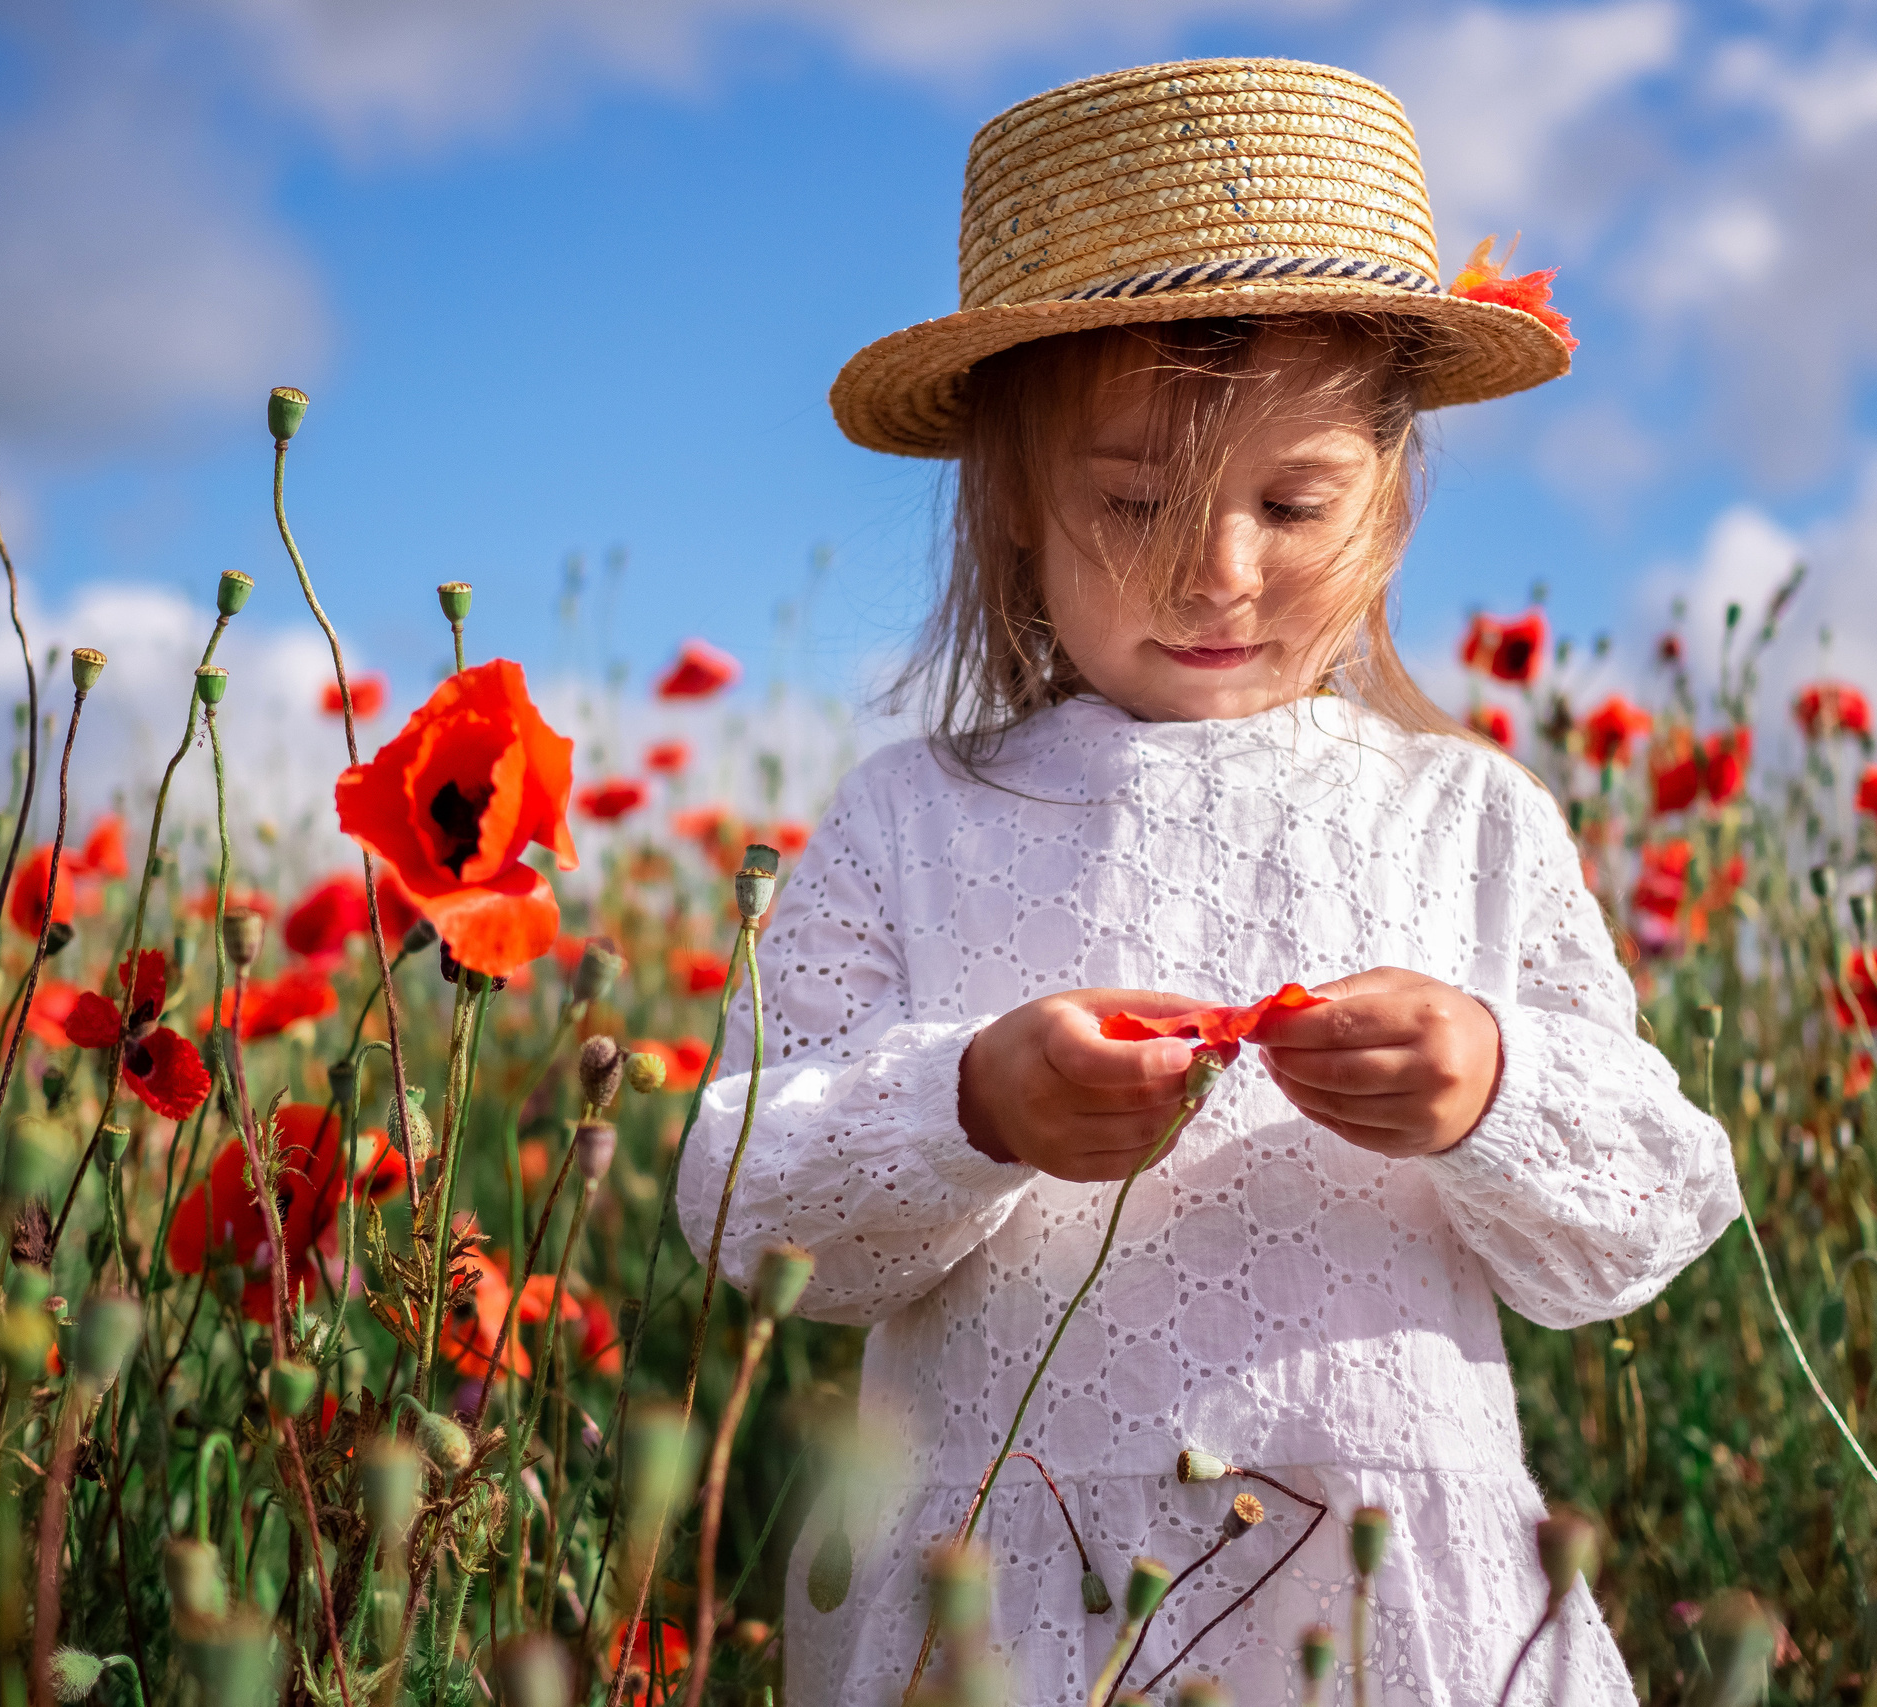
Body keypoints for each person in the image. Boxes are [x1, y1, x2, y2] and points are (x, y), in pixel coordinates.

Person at [681, 56, 1741, 1706]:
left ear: (1385, 507)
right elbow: (741, 1204)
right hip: (1006, 1595)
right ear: (1015, 507)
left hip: (1392, 1599)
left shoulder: (1466, 819)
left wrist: (1490, 1082)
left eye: (1290, 502)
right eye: (1133, 500)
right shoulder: (914, 820)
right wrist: (976, 1103)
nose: (1218, 567)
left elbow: (1647, 1220)